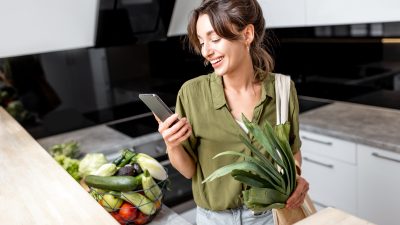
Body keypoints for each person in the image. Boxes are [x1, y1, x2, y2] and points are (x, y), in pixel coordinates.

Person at [155, 0, 309, 224]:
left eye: (215, 39)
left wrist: (294, 179)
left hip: (269, 216)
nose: (206, 51)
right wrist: (172, 144)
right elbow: (189, 171)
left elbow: (292, 151)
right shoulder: (191, 94)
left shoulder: (282, 90)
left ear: (247, 34)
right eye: (201, 42)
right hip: (213, 218)